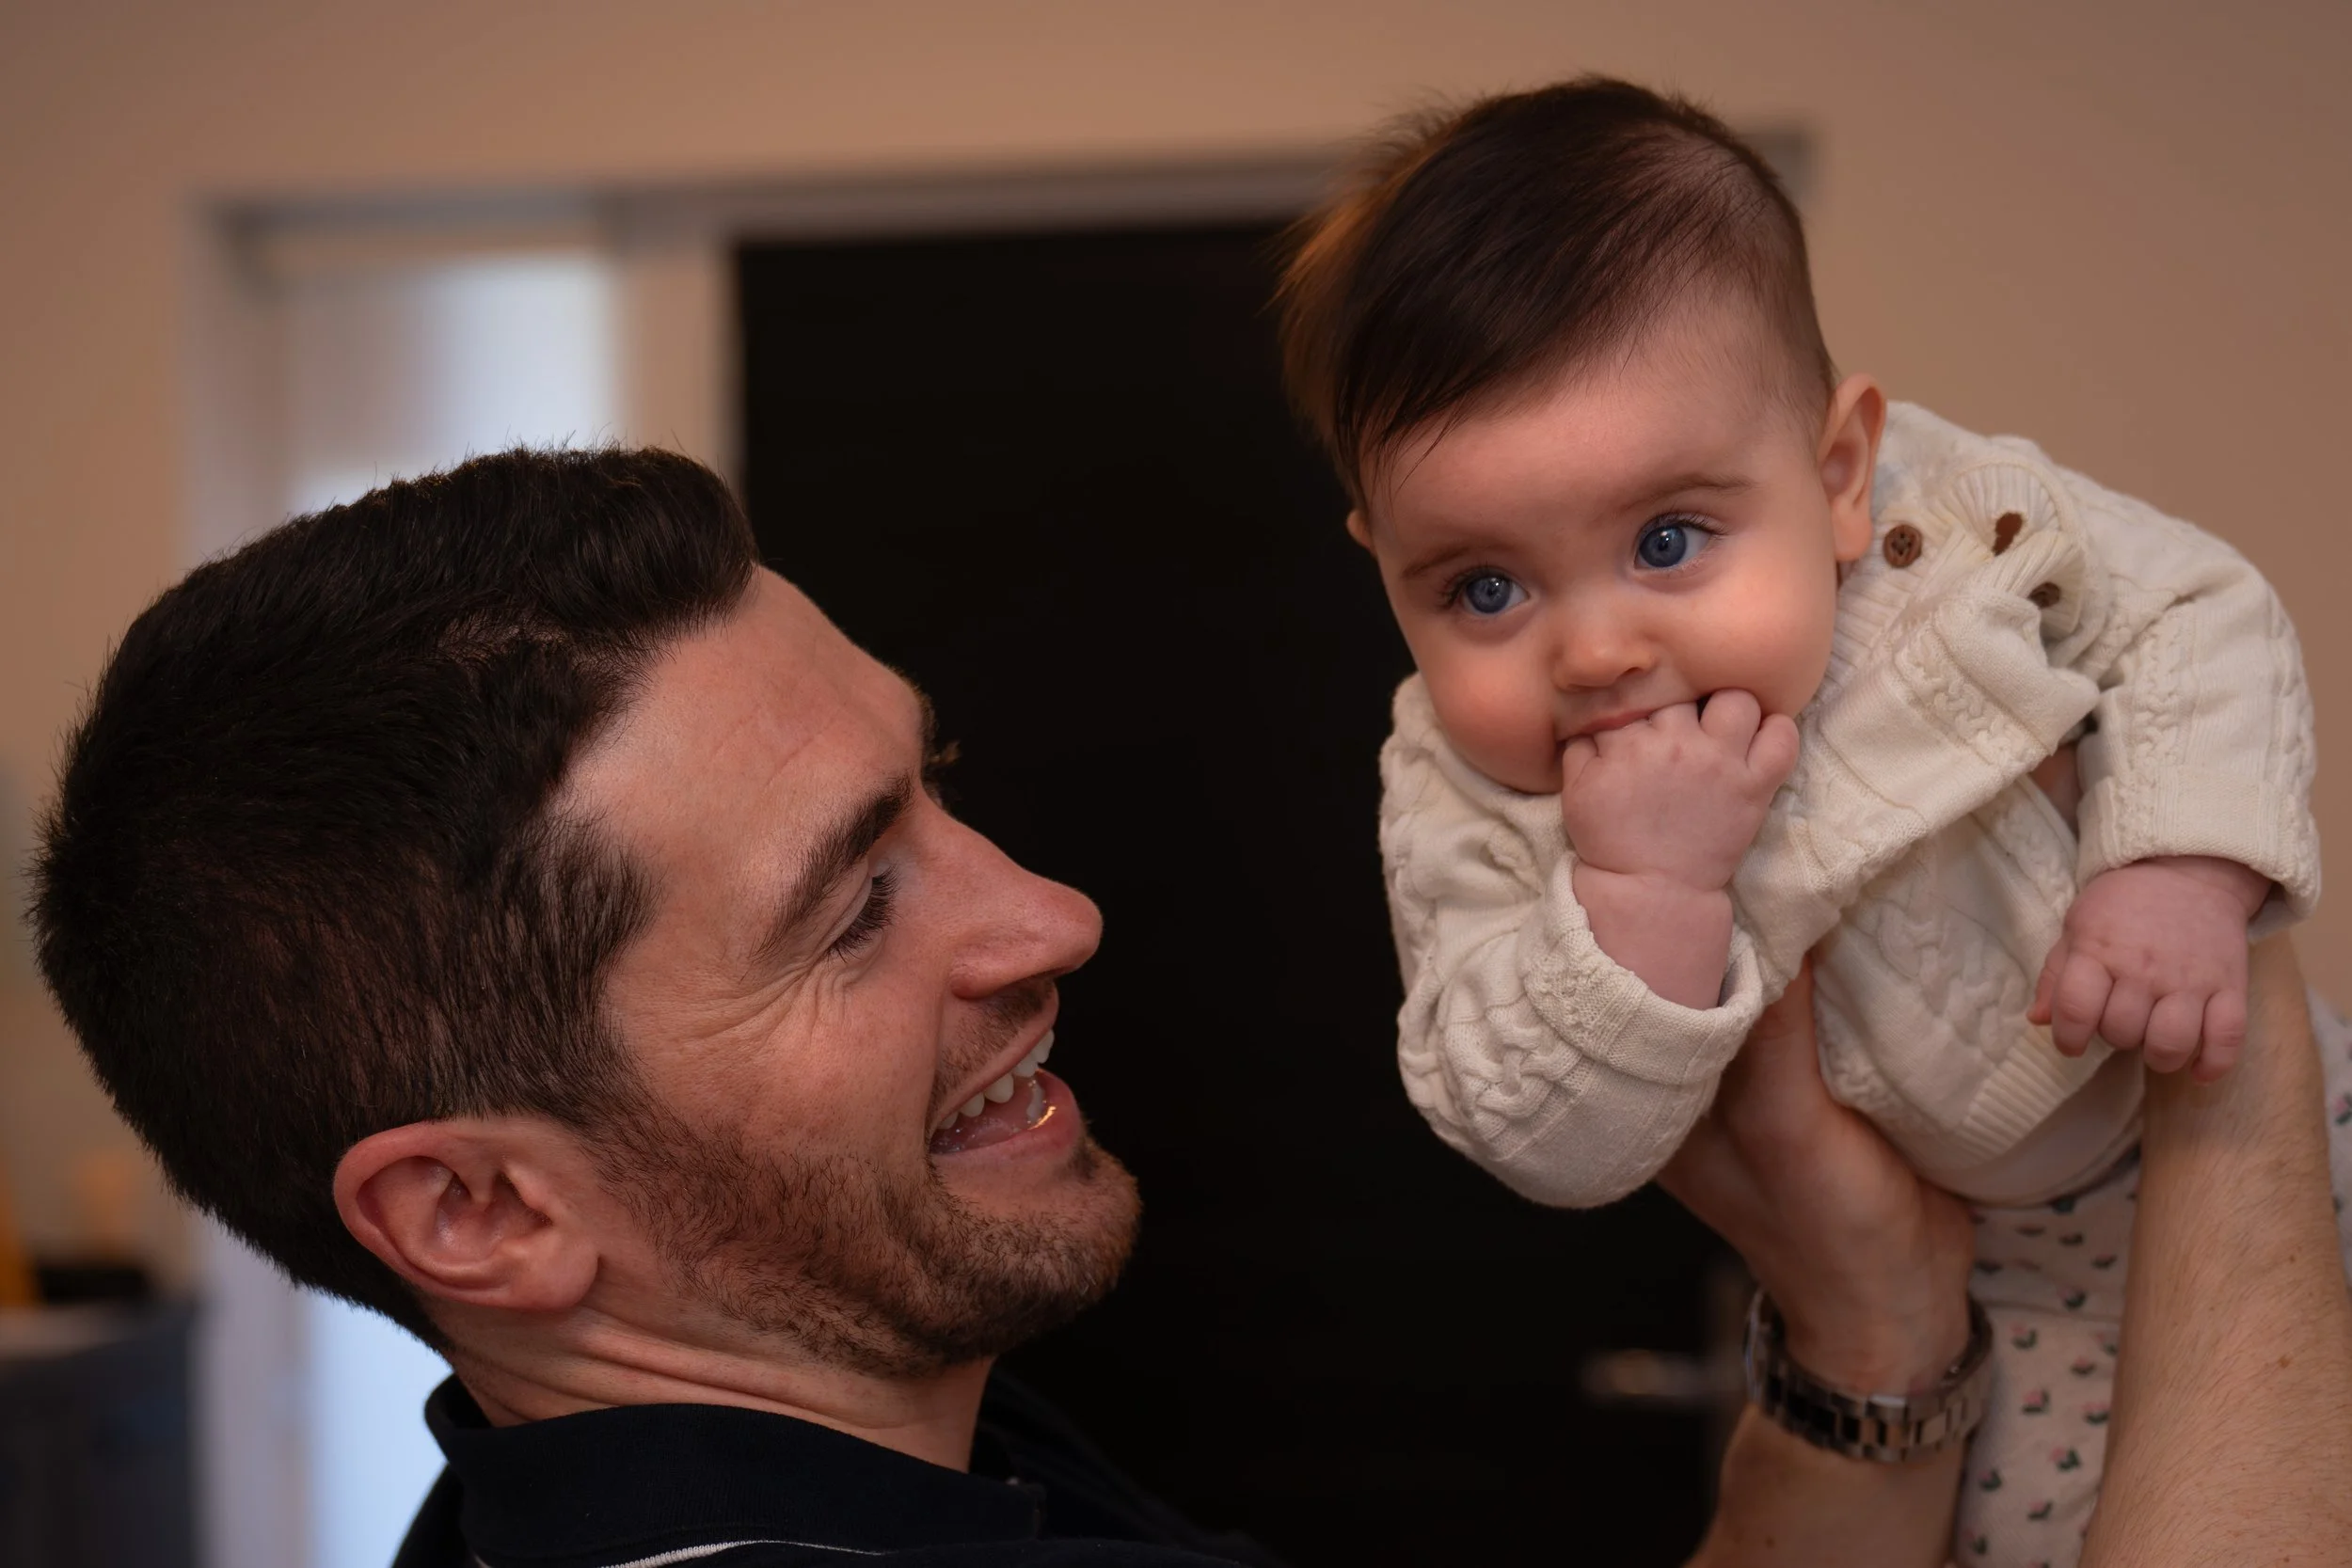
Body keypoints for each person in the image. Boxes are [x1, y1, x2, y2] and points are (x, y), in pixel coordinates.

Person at [27, 451, 2351, 1567]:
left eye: (933, 795)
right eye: (847, 912)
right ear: (479, 1208)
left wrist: (1861, 1334)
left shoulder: (890, 1464)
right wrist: (2213, 963)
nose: (1047, 910)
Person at [1275, 78, 2348, 1564]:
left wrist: (2178, 865)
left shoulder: (1948, 530)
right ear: (1381, 563)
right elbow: (1525, 1122)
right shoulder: (1465, 797)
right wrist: (1641, 885)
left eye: (1666, 541)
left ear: (1840, 473)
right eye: (1483, 588)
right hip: (2004, 1285)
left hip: (2274, 1129)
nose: (1593, 652)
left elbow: (2191, 612)